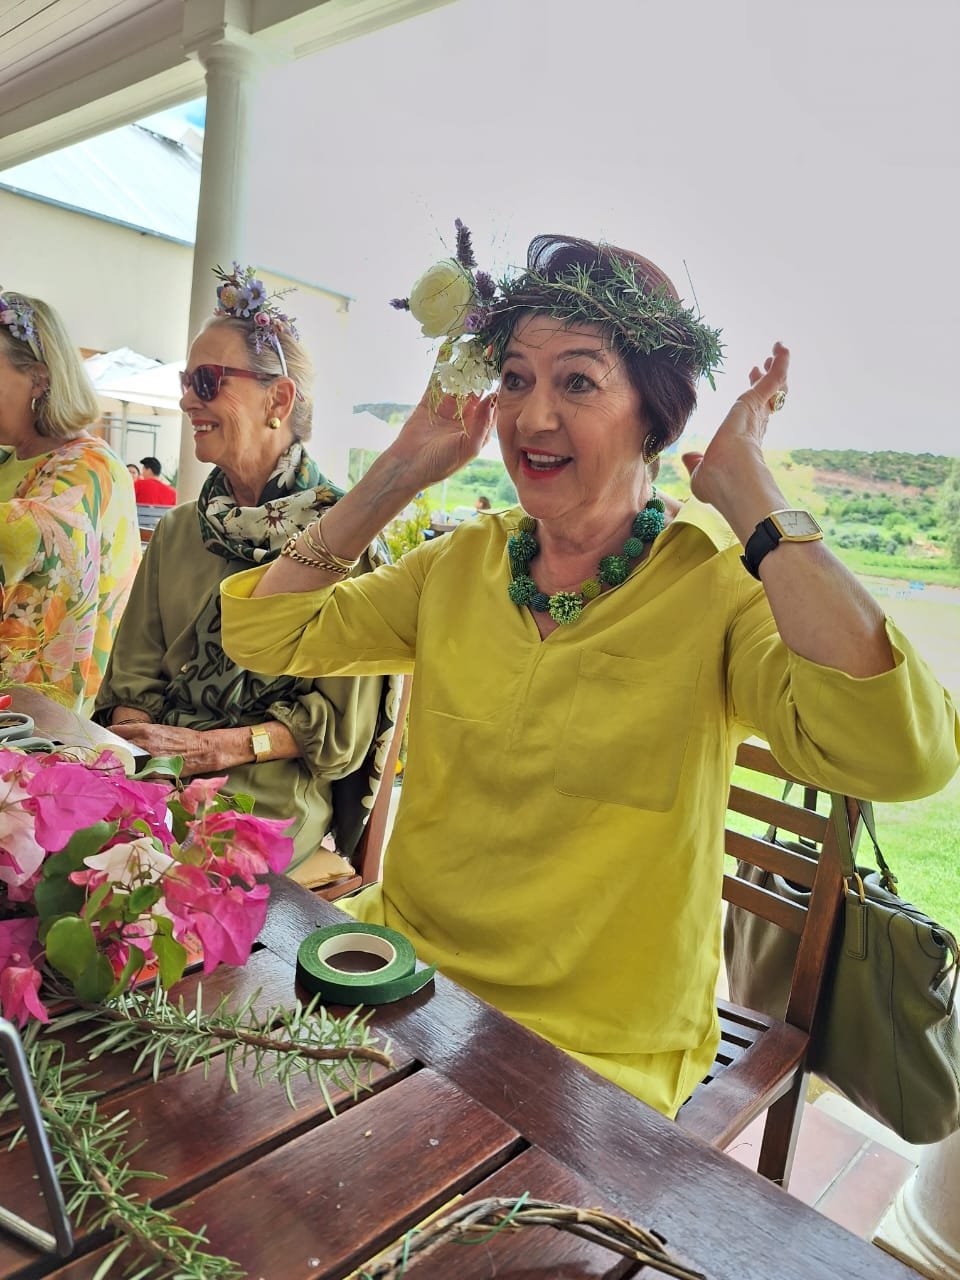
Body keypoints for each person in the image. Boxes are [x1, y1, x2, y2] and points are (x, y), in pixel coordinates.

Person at [219, 234, 960, 1117]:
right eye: (518, 379)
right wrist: (400, 473)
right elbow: (265, 633)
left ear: (653, 415)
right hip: (404, 970)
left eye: (578, 381)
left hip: (596, 1043)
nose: (533, 418)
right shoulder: (460, 563)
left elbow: (905, 754)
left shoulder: (718, 590)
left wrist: (755, 502)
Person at [95, 266, 396, 887]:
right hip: (157, 767)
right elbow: (131, 678)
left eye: (206, 381)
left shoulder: (343, 540)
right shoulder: (180, 532)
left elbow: (339, 731)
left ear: (278, 400)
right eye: (186, 381)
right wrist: (143, 762)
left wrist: (217, 749)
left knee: (163, 886)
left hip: (266, 795)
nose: (186, 400)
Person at [0, 289, 139, 712]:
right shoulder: (9, 458)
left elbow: (34, 536)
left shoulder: (89, 463)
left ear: (39, 379)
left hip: (45, 720)